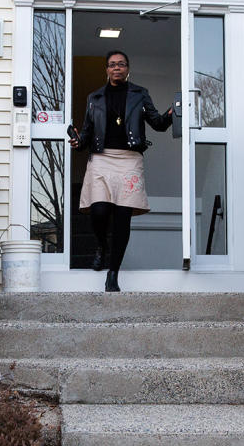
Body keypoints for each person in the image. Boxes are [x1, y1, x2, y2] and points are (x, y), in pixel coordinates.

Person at [69, 50, 173, 292]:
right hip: (102, 159)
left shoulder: (140, 94)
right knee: (99, 211)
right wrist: (77, 142)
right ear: (106, 69)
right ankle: (102, 245)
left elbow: (157, 124)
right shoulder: (94, 98)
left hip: (129, 160)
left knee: (123, 218)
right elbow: (85, 135)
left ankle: (113, 273)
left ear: (128, 69)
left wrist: (173, 112)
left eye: (121, 64)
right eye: (112, 65)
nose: (117, 68)